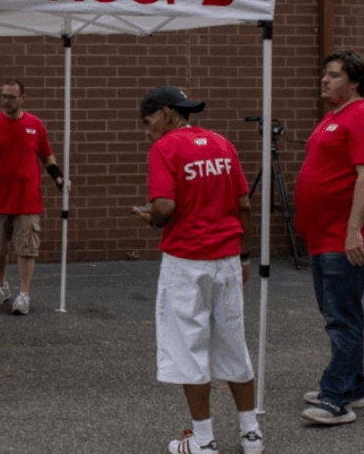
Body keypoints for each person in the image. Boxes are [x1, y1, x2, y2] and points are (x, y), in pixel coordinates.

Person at [129, 86, 263, 454]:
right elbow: (244, 206)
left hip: (187, 262)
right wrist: (245, 256)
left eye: (148, 121)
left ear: (168, 114)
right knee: (234, 343)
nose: (147, 130)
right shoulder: (222, 144)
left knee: (189, 349)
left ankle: (203, 440)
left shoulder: (165, 148)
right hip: (227, 260)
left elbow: (166, 205)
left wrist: (152, 218)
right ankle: (251, 433)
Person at [294, 49, 364, 425]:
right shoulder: (333, 118)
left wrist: (353, 232)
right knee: (341, 314)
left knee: (341, 318)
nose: (324, 79)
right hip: (325, 237)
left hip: (347, 239)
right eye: (324, 74)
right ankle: (353, 386)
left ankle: (336, 400)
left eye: (333, 75)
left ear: (353, 82)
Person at [0, 79, 65, 315]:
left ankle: (24, 294)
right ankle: (2, 286)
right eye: (3, 96)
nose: (6, 100)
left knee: (26, 249)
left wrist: (59, 177)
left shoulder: (35, 125)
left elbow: (47, 157)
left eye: (11, 96)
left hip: (27, 199)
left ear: (22, 98)